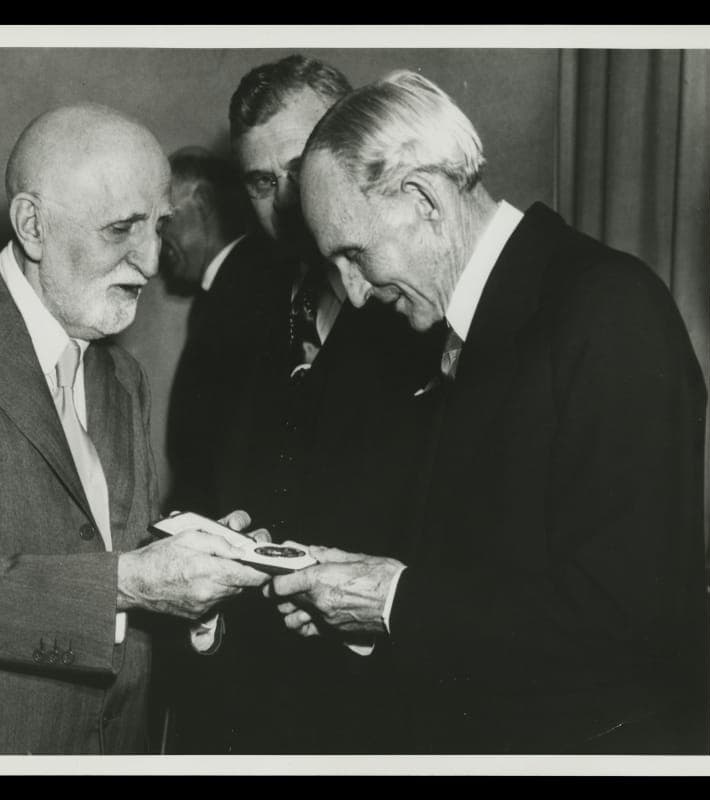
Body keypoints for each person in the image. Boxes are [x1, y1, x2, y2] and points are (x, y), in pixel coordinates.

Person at [271, 70, 710, 754]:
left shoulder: (608, 309)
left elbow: (631, 618)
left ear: (423, 199)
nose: (352, 296)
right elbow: (493, 579)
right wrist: (363, 608)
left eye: (354, 255)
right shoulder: (476, 327)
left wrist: (393, 601)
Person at [0, 103, 272, 755]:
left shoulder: (122, 378)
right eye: (122, 229)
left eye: (159, 227)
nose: (150, 261)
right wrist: (137, 580)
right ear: (32, 226)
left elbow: (108, 570)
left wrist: (200, 588)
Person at [168, 56, 433, 754]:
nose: (287, 199)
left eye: (303, 163)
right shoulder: (236, 298)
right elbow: (197, 471)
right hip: (251, 701)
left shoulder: (420, 302)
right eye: (263, 180)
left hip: (390, 703)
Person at [160, 147, 275, 517]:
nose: (156, 244)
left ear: (204, 202)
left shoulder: (255, 284)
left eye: (164, 222)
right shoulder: (219, 293)